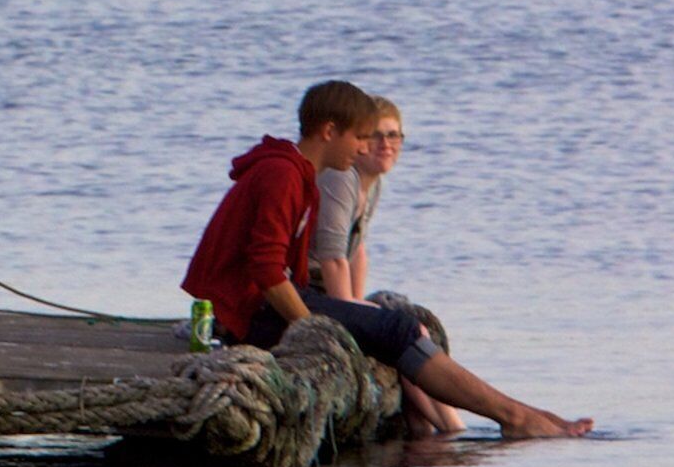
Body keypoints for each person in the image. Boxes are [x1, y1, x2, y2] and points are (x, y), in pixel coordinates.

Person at [185, 79, 589, 440]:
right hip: (246, 313)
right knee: (397, 329)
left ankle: (504, 416)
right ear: (329, 132)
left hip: (257, 305)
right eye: (360, 137)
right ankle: (513, 416)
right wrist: (314, 329)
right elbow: (267, 271)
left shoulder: (298, 174)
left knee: (396, 325)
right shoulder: (283, 175)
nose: (364, 148)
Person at [310, 97, 456, 437]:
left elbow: (357, 250)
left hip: (327, 290)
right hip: (307, 290)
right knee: (407, 334)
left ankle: (427, 433)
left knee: (409, 329)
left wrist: (359, 301)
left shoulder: (371, 183)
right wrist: (354, 312)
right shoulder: (341, 178)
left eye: (394, 135)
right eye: (375, 135)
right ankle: (452, 431)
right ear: (358, 141)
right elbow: (333, 257)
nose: (386, 144)